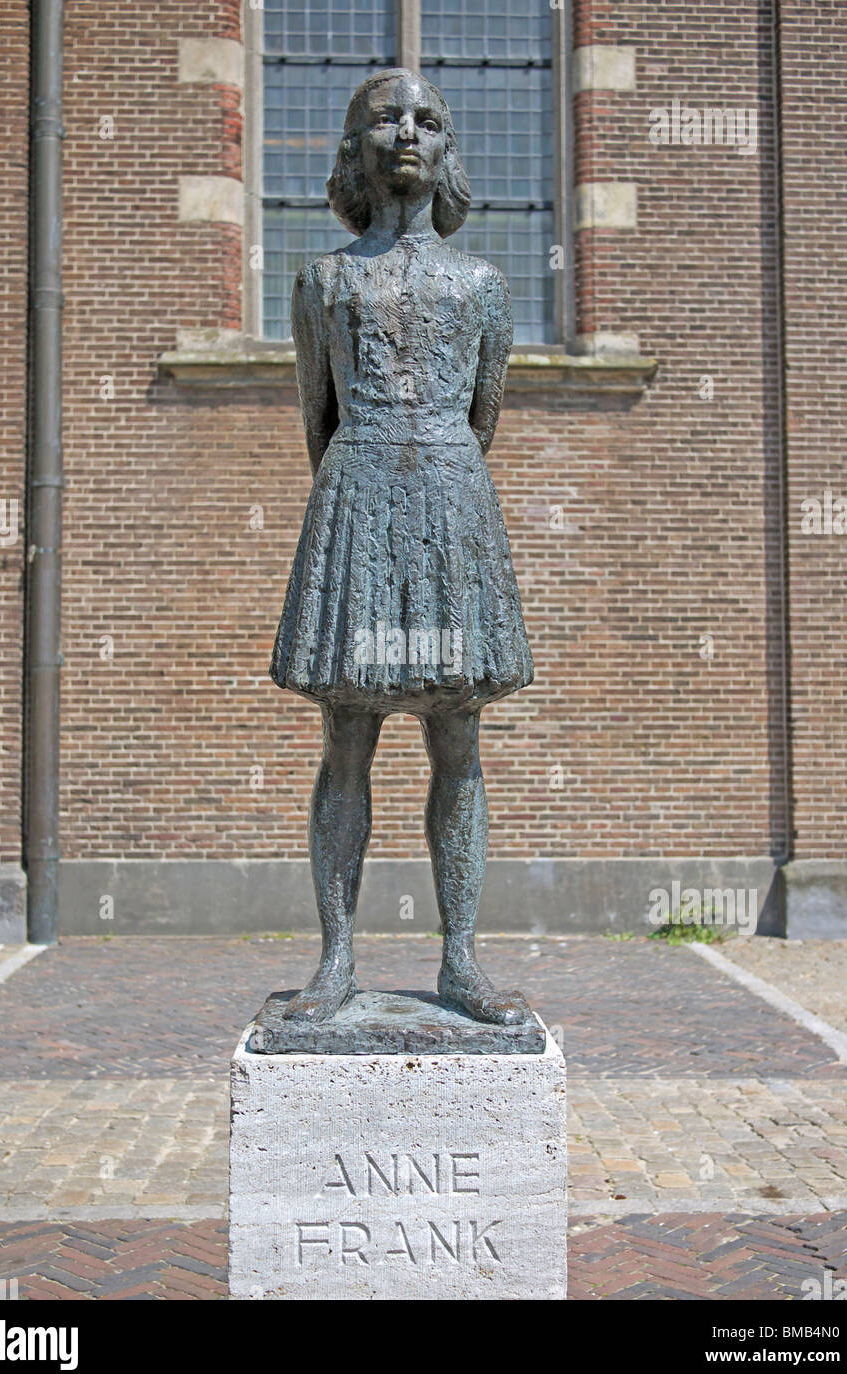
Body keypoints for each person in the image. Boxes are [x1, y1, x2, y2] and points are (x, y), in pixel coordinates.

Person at [271, 69, 534, 1025]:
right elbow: (318, 415)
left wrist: (431, 482)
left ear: (446, 149)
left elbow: (483, 413)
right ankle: (336, 958)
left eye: (428, 119)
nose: (408, 132)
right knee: (347, 734)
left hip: (452, 503)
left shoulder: (482, 285)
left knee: (456, 737)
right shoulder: (322, 280)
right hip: (356, 497)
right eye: (387, 118)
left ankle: (461, 958)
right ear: (356, 146)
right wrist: (370, 491)